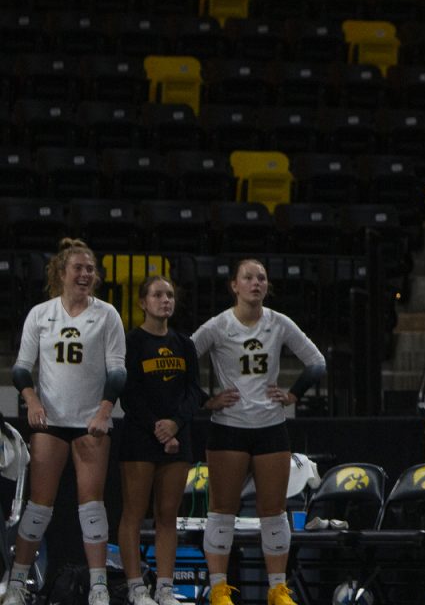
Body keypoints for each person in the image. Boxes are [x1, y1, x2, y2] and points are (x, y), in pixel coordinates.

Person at [190, 259, 326, 605]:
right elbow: (182, 359)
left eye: (262, 278)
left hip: (270, 427)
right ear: (234, 285)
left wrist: (294, 393)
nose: (256, 283)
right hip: (228, 429)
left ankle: (277, 588)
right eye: (248, 278)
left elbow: (317, 362)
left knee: (274, 510)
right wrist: (207, 401)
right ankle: (220, 588)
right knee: (222, 510)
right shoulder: (219, 326)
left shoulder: (278, 323)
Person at [5, 239, 127, 605]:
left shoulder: (107, 314)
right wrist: (31, 400)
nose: (86, 274)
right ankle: (17, 584)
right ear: (61, 273)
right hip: (51, 421)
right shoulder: (41, 314)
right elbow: (22, 368)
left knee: (92, 506)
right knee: (39, 506)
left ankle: (99, 587)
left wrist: (105, 411)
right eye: (79, 268)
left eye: (91, 269)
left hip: (91, 420)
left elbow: (118, 370)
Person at [117, 276, 202, 605]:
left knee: (168, 516)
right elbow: (130, 393)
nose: (165, 300)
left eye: (169, 294)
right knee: (133, 514)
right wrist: (158, 427)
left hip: (178, 439)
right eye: (157, 294)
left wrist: (176, 424)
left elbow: (193, 390)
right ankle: (136, 586)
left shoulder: (185, 343)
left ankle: (164, 588)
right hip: (141, 437)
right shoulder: (132, 342)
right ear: (142, 303)